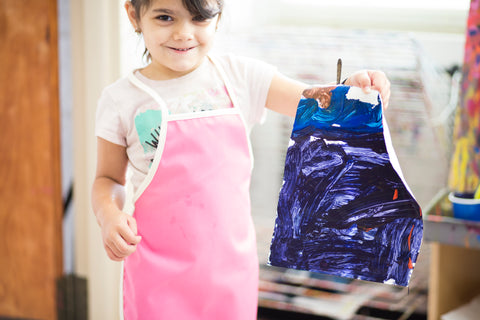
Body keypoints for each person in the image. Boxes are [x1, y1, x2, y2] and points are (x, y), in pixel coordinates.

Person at [91, 0, 391, 319]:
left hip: (229, 275)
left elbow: (320, 103)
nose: (184, 33)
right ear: (134, 15)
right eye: (165, 17)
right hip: (156, 277)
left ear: (217, 18)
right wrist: (108, 214)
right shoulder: (121, 100)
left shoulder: (241, 77)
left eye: (199, 18)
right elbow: (107, 179)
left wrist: (354, 90)